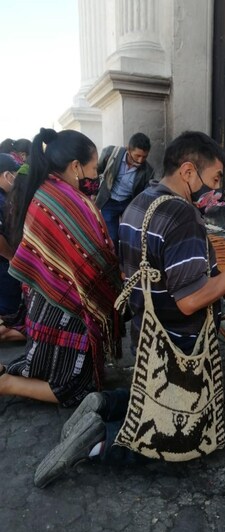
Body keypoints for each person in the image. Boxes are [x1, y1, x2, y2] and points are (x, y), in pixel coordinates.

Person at [33, 130, 225, 488]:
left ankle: (102, 404)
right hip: (177, 338)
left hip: (147, 330)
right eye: (215, 178)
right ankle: (100, 442)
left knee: (155, 392)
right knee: (178, 435)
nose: (217, 188)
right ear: (189, 171)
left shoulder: (142, 201)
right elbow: (189, 299)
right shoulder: (184, 216)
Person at [0, 127, 123, 407]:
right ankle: (5, 383)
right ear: (76, 166)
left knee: (61, 367)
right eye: (94, 168)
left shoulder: (47, 190)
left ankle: (14, 375)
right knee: (76, 390)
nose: (96, 177)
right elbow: (90, 257)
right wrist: (115, 282)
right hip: (65, 306)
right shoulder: (64, 199)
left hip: (50, 298)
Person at [95, 132, 154, 252]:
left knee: (130, 235)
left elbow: (145, 193)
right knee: (112, 236)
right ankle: (114, 261)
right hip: (109, 200)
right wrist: (93, 193)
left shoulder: (148, 171)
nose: (140, 160)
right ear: (128, 149)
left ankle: (127, 260)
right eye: (137, 155)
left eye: (144, 157)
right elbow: (96, 171)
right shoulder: (111, 153)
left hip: (128, 203)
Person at [0, 153, 22, 317]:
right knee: (9, 313)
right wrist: (12, 258)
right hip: (3, 263)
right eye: (15, 175)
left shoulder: (5, 197)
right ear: (7, 175)